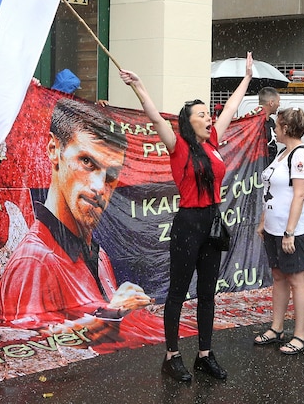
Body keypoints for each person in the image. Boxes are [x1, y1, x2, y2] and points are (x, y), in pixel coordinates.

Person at [119, 52, 255, 382]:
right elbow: (154, 118)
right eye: (203, 114)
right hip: (187, 225)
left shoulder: (214, 141)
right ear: (189, 121)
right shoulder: (178, 145)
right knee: (178, 292)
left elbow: (233, 108)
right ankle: (172, 355)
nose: (210, 118)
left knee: (207, 292)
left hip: (212, 222)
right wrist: (139, 87)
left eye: (209, 113)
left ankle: (204, 355)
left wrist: (247, 78)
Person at [0, 98, 158, 348]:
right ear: (53, 149)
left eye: (111, 176)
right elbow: (25, 350)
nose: (98, 187)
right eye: (87, 162)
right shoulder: (34, 261)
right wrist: (111, 314)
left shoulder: (99, 255)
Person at [253, 108, 304, 355]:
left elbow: (299, 195)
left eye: (277, 125)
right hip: (273, 227)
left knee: (296, 279)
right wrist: (263, 221)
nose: (274, 129)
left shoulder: (301, 155)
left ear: (286, 128)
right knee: (278, 275)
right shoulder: (281, 153)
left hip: (292, 229)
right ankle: (277, 327)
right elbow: (273, 191)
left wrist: (290, 232)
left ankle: (300, 335)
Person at [257, 87, 281, 161]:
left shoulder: (271, 122)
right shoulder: (255, 124)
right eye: (278, 101)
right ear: (271, 103)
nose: (279, 105)